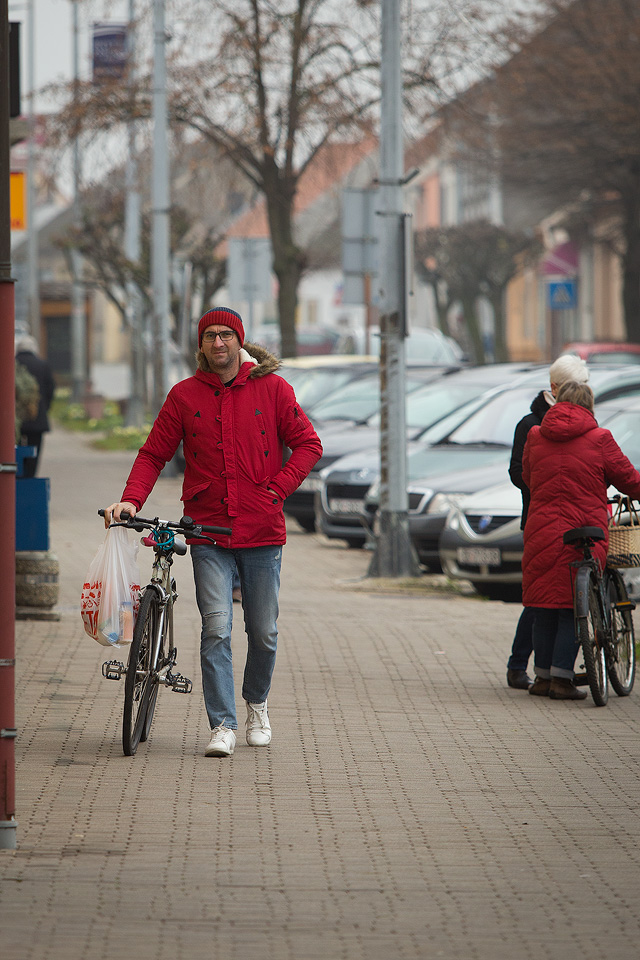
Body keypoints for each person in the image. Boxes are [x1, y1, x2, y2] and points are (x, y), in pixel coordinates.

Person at [104, 307, 322, 756]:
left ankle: (257, 703)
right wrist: (131, 499)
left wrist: (276, 490)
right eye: (209, 336)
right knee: (216, 627)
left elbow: (308, 445)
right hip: (206, 530)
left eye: (226, 334)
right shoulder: (185, 395)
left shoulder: (274, 388)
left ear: (239, 340)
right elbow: (152, 454)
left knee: (263, 632)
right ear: (200, 345)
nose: (218, 343)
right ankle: (222, 724)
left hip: (262, 531)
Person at [522, 379, 640, 700]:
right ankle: (562, 679)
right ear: (589, 405)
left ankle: (542, 678)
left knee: (544, 605)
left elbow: (528, 478)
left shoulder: (536, 436)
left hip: (540, 530)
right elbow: (628, 479)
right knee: (572, 605)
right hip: (585, 530)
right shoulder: (600, 438)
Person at [505, 354, 590, 690]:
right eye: (574, 386)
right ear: (555, 387)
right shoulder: (531, 425)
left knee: (552, 597)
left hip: (572, 521)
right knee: (542, 598)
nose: (578, 392)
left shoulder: (584, 421)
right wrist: (548, 484)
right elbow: (517, 471)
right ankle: (520, 664)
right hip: (540, 519)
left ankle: (543, 668)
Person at [15, 334, 56, 478]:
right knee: (35, 448)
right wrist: (45, 407)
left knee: (15, 447)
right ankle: (30, 475)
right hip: (37, 417)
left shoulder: (12, 364)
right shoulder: (42, 365)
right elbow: (51, 388)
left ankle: (17, 474)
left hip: (15, 419)